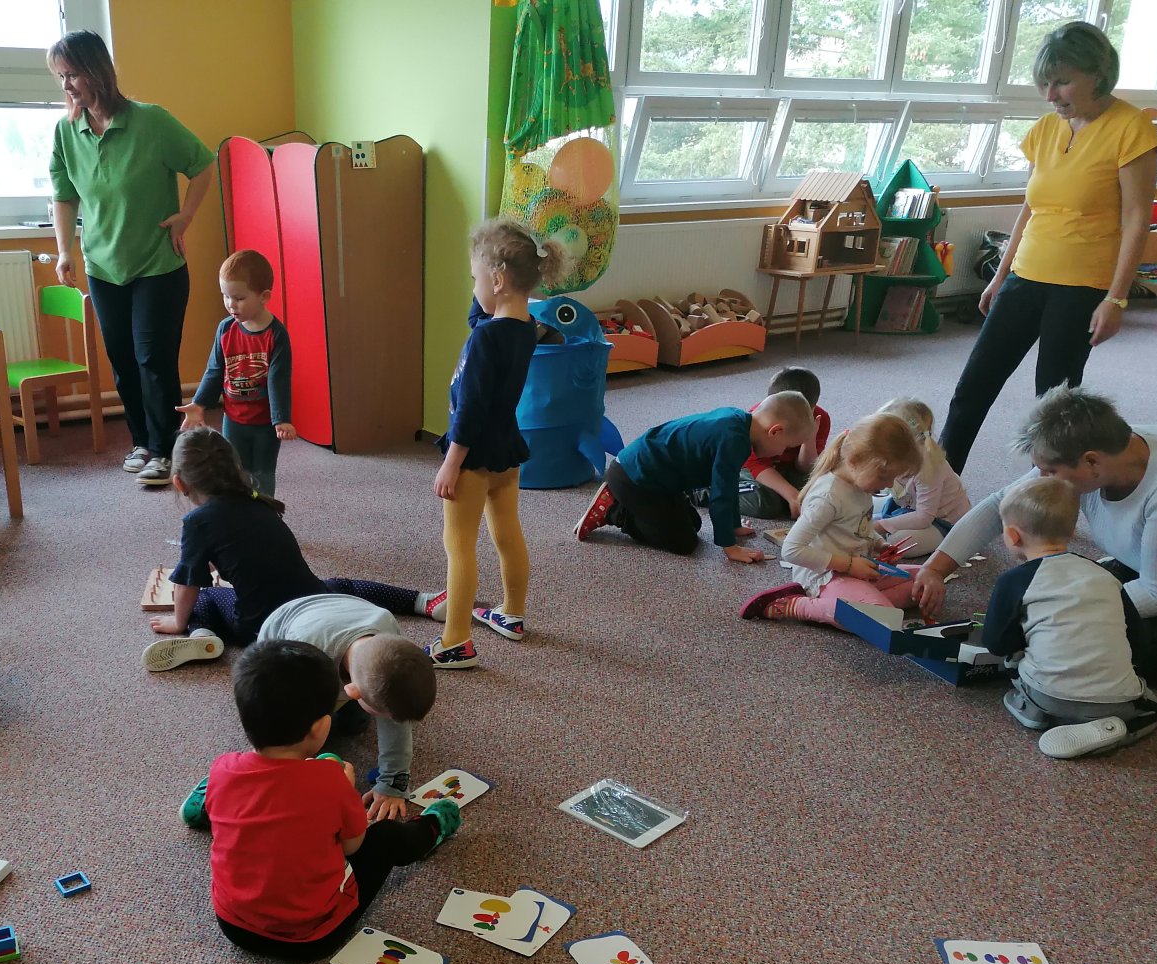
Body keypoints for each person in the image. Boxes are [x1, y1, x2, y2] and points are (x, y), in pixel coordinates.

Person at [938, 22, 1157, 472]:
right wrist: (1000, 276)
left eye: (1062, 82)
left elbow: (1137, 219)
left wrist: (1116, 298)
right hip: (1026, 275)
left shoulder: (1131, 128)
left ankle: (1050, 493)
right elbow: (1031, 208)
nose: (1051, 95)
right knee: (973, 386)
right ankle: (939, 484)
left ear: (1097, 74)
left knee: (1054, 408)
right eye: (1045, 84)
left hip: (1081, 286)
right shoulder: (1044, 130)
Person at [915, 386, 1157, 685]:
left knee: (1085, 650)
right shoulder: (1095, 450)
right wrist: (935, 569)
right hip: (1148, 566)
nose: (1042, 479)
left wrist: (1062, 612)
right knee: (1056, 602)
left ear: (1092, 462)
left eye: (1049, 471)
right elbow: (1002, 505)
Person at [193, 639, 460, 963]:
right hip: (313, 937)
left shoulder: (222, 768)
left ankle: (202, 806)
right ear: (321, 727)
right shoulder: (331, 783)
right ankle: (432, 828)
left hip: (233, 925)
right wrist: (344, 791)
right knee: (386, 837)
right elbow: (352, 846)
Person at [47, 29, 216, 485]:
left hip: (158, 265)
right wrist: (64, 251)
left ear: (97, 71)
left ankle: (164, 449)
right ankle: (142, 442)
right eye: (60, 77)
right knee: (122, 361)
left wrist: (185, 216)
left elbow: (203, 164)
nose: (66, 85)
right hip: (104, 267)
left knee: (153, 360)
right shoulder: (67, 132)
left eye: (72, 74)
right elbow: (64, 196)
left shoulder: (151, 121)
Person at [144, 427, 442, 671]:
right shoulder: (258, 501)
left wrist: (178, 621)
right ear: (235, 468)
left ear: (179, 482)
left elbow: (188, 584)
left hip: (263, 625)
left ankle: (202, 635)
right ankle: (422, 601)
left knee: (205, 597)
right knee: (343, 585)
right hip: (314, 596)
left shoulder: (197, 521)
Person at [427, 218, 565, 669]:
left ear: (499, 280)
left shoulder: (487, 337)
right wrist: (485, 272)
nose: (474, 287)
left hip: (473, 456)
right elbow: (480, 314)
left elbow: (470, 410)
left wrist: (452, 462)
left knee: (459, 546)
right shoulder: (526, 326)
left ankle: (455, 641)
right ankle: (512, 613)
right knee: (507, 534)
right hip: (507, 451)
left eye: (476, 279)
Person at [980, 475, 1157, 760]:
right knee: (1153, 707)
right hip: (1117, 699)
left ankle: (1035, 711)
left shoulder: (1013, 581)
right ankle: (1123, 726)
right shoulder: (1106, 575)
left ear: (1013, 536)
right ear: (1073, 530)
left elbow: (996, 643)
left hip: (1048, 696)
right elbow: (1139, 641)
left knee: (1014, 658)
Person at [255, 591, 439, 823]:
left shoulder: (389, 631)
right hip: (282, 634)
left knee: (356, 723)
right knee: (303, 733)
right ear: (352, 691)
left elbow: (397, 722)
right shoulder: (303, 660)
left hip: (345, 615)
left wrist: (393, 782)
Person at [576, 391, 816, 560]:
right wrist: (729, 547)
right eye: (787, 446)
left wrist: (733, 525)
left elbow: (730, 484)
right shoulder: (734, 442)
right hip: (636, 479)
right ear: (775, 431)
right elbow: (721, 495)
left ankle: (624, 501)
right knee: (684, 543)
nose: (782, 453)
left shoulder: (738, 421)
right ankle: (614, 511)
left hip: (654, 478)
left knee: (695, 523)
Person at [740, 412, 922, 625]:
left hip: (857, 568)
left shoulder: (862, 485)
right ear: (854, 461)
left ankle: (857, 607)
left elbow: (860, 527)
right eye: (884, 477)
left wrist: (878, 543)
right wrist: (849, 565)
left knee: (924, 582)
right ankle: (794, 604)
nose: (889, 485)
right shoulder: (828, 496)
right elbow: (791, 550)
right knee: (883, 619)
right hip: (825, 576)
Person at [176, 249, 294, 497]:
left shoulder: (276, 335)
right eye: (225, 296)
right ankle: (240, 512)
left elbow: (278, 379)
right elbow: (215, 370)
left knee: (262, 473)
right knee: (235, 470)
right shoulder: (226, 329)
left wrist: (281, 418)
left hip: (264, 424)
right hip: (234, 419)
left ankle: (264, 513)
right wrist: (199, 403)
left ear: (264, 297)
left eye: (239, 298)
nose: (231, 304)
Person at [871, 397, 971, 559]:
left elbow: (924, 518)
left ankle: (945, 541)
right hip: (908, 505)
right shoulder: (894, 454)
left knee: (897, 542)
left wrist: (881, 526)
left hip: (941, 521)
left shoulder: (929, 467)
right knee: (863, 505)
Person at [734, 366, 830, 521]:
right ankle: (708, 490)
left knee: (821, 489)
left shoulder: (820, 418)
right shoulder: (756, 422)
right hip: (750, 469)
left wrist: (809, 437)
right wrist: (791, 494)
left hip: (788, 469)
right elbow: (756, 465)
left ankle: (785, 496)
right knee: (766, 504)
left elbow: (806, 468)